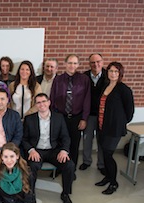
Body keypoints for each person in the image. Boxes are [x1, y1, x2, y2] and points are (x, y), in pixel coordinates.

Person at [22, 93, 75, 203]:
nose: (42, 105)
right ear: (35, 105)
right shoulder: (29, 119)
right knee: (31, 167)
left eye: (44, 101)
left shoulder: (58, 118)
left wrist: (64, 151)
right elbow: (24, 139)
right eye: (38, 102)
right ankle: (31, 195)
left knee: (69, 165)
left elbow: (65, 137)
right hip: (37, 151)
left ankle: (65, 194)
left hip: (54, 150)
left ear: (49, 102)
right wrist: (31, 150)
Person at [95, 62, 134, 195]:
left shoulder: (124, 89)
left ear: (120, 74)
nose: (113, 74)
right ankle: (108, 177)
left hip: (114, 129)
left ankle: (114, 183)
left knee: (108, 155)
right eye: (111, 71)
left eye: (116, 72)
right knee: (104, 154)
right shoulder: (105, 86)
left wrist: (119, 122)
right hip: (102, 126)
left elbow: (129, 112)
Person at [50, 54, 91, 172]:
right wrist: (52, 117)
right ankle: (59, 167)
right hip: (60, 116)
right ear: (65, 63)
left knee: (74, 144)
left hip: (76, 117)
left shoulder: (84, 80)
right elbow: (52, 98)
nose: (72, 65)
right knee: (59, 143)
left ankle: (70, 170)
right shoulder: (58, 79)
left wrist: (84, 119)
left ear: (78, 65)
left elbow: (87, 100)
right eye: (70, 63)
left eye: (74, 63)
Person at [79, 53, 108, 175]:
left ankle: (101, 164)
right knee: (87, 139)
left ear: (102, 62)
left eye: (98, 61)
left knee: (102, 140)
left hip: (103, 115)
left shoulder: (108, 76)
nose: (96, 64)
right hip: (89, 114)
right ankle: (86, 161)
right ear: (89, 64)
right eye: (92, 62)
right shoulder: (84, 77)